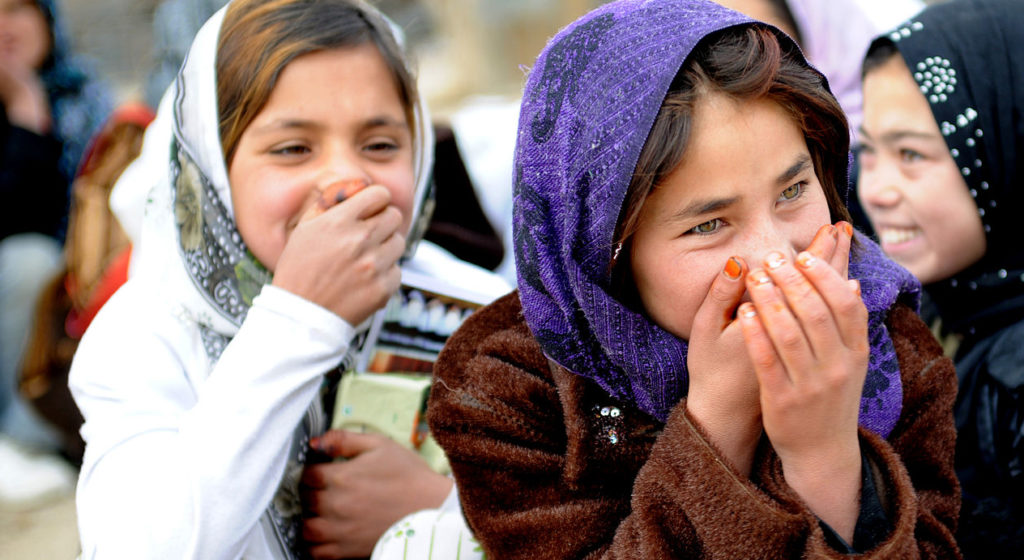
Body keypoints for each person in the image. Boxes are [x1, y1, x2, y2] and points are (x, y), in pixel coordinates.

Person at [427, 0, 962, 557]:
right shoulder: (512, 395)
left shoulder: (884, 346)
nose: (774, 257)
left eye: (794, 191)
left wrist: (824, 453)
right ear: (604, 248)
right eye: (709, 223)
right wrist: (718, 425)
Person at [70, 1, 458, 557]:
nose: (346, 179)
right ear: (214, 167)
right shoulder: (142, 337)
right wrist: (301, 319)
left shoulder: (479, 313)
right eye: (292, 149)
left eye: (380, 145)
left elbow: (596, 512)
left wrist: (439, 510)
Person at [856, 0, 1024, 555]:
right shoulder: (942, 308)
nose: (876, 189)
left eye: (912, 154)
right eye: (868, 151)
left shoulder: (1015, 379)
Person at [0, 0, 111, 506]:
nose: (6, 28)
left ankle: (33, 442)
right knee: (29, 263)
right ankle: (20, 444)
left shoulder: (86, 99)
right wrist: (24, 111)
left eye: (19, 9)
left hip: (75, 292)